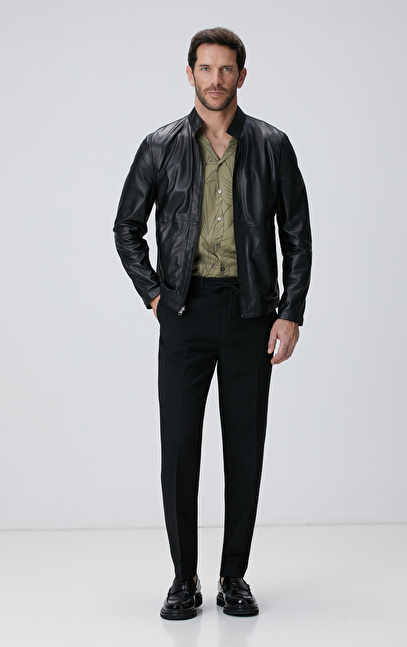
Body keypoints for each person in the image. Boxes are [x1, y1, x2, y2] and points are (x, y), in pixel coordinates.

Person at [113, 27, 312, 620]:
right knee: (179, 449)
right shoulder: (160, 146)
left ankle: (234, 577)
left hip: (251, 313)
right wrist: (154, 294)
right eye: (206, 68)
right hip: (184, 311)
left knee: (244, 449)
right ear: (190, 74)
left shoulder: (272, 145)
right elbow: (127, 227)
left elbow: (297, 237)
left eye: (226, 69)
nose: (216, 79)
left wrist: (290, 312)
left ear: (242, 76)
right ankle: (183, 579)